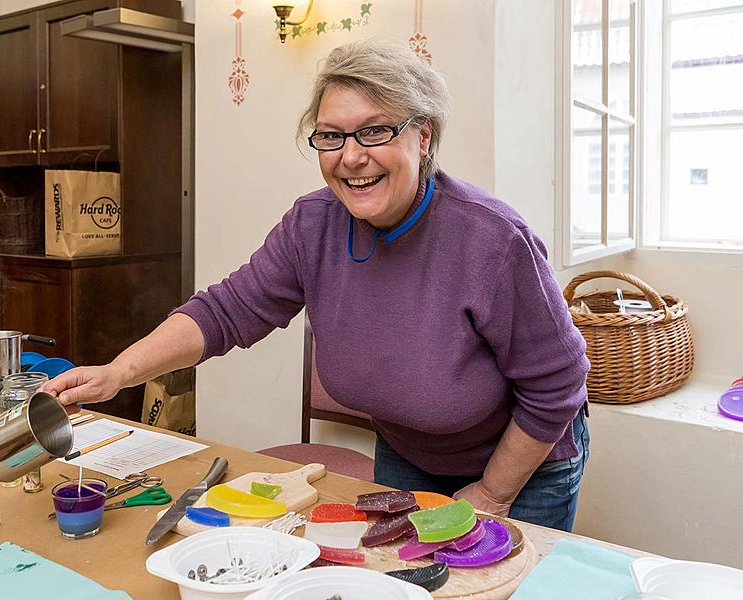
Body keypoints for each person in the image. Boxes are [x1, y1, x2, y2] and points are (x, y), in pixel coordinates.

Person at [43, 38, 591, 532]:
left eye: (375, 130)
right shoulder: (313, 225)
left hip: (522, 464)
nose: (351, 156)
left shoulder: (492, 239)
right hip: (407, 451)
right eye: (331, 136)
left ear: (423, 136)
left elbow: (557, 383)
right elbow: (225, 311)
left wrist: (493, 494)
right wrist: (120, 372)